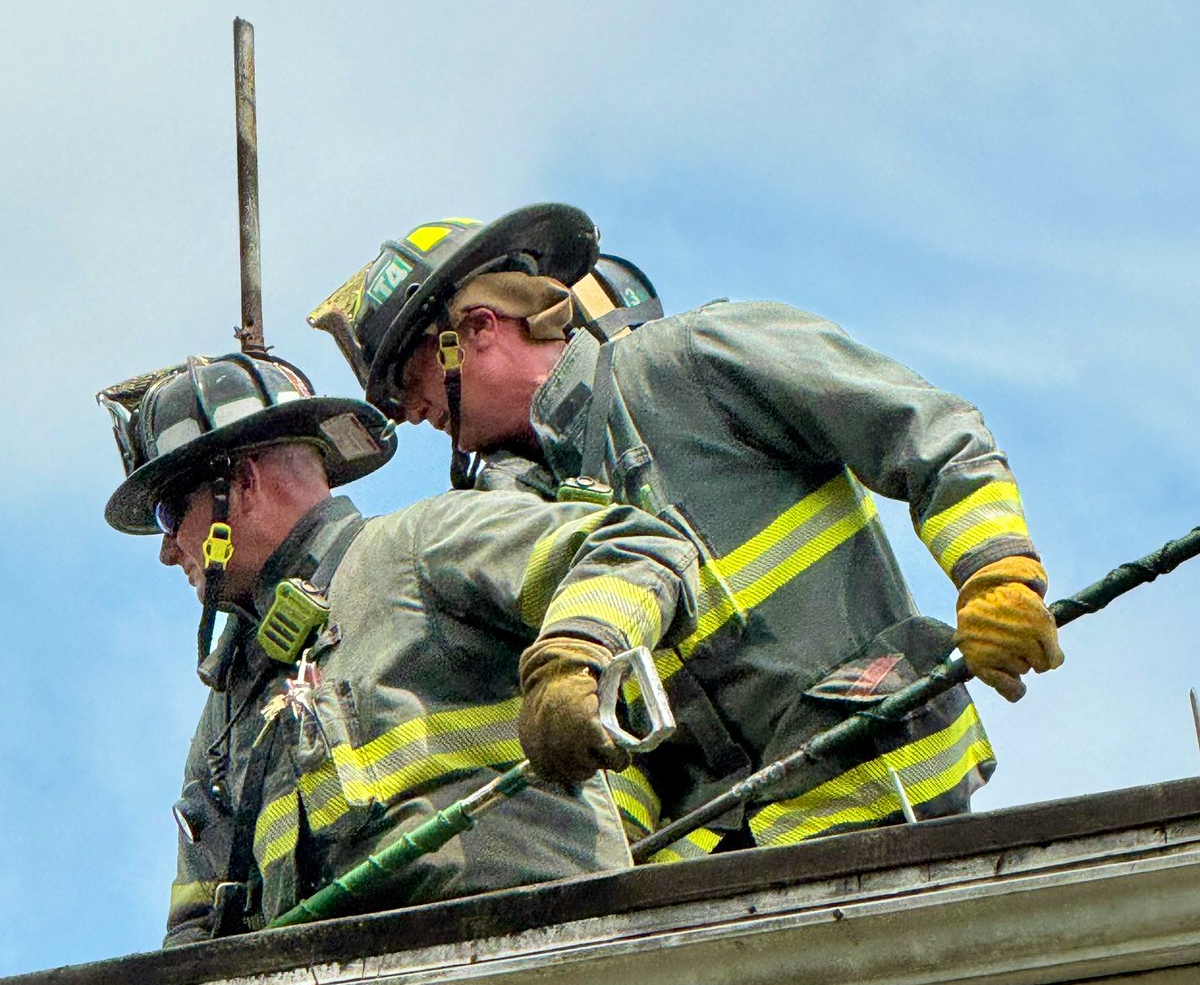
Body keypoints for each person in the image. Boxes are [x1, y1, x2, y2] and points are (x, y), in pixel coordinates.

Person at [310, 204, 1065, 861]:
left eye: (407, 380)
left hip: (882, 792)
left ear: (476, 330)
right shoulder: (515, 514)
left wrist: (996, 572)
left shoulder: (697, 359)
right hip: (722, 871)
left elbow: (928, 431)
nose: (410, 413)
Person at [97, 352, 698, 944]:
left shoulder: (416, 548)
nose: (169, 547)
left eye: (171, 511)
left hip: (537, 957)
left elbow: (637, 547)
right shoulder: (226, 716)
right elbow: (194, 934)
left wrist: (573, 657)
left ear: (242, 482)